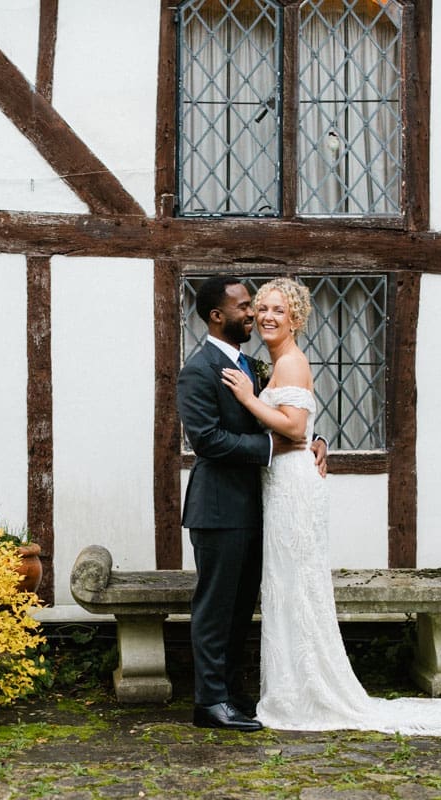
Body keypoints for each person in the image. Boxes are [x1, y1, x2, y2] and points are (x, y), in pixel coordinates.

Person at [220, 277, 441, 734]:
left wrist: (248, 399)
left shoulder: (291, 363)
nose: (268, 316)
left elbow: (294, 429)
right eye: (262, 309)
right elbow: (303, 427)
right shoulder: (275, 363)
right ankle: (292, 688)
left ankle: (307, 692)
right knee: (286, 584)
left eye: (279, 309)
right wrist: (313, 435)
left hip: (294, 488)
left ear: (296, 318)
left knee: (298, 584)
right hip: (281, 484)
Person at [176, 275, 327, 732]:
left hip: (255, 507)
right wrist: (271, 450)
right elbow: (206, 440)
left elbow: (285, 416)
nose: (254, 313)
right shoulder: (198, 370)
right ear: (217, 316)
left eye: (258, 305)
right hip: (219, 509)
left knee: (242, 608)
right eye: (245, 306)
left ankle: (232, 693)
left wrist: (312, 439)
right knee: (215, 607)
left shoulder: (253, 363)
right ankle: (209, 704)